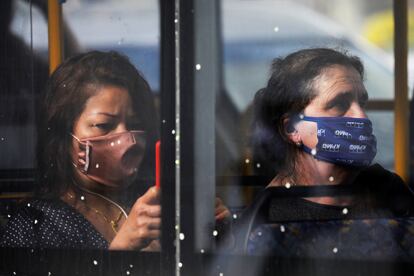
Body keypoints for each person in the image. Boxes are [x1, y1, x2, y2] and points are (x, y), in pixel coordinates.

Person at [0, 51, 230, 250]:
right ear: (63, 133)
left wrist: (217, 235)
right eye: (104, 125)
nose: (126, 139)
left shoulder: (157, 204)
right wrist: (122, 251)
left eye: (135, 124)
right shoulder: (34, 224)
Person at [241, 48, 414, 260]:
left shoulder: (386, 187)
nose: (361, 116)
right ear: (293, 129)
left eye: (362, 103)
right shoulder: (268, 216)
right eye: (339, 104)